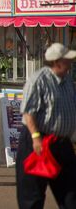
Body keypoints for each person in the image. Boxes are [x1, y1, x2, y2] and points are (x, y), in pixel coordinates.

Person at [16, 43, 76, 209]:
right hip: (38, 142)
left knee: (71, 194)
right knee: (32, 196)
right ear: (57, 62)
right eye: (68, 59)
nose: (71, 62)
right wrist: (36, 138)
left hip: (62, 143)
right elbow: (28, 112)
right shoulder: (38, 80)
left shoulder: (68, 80)